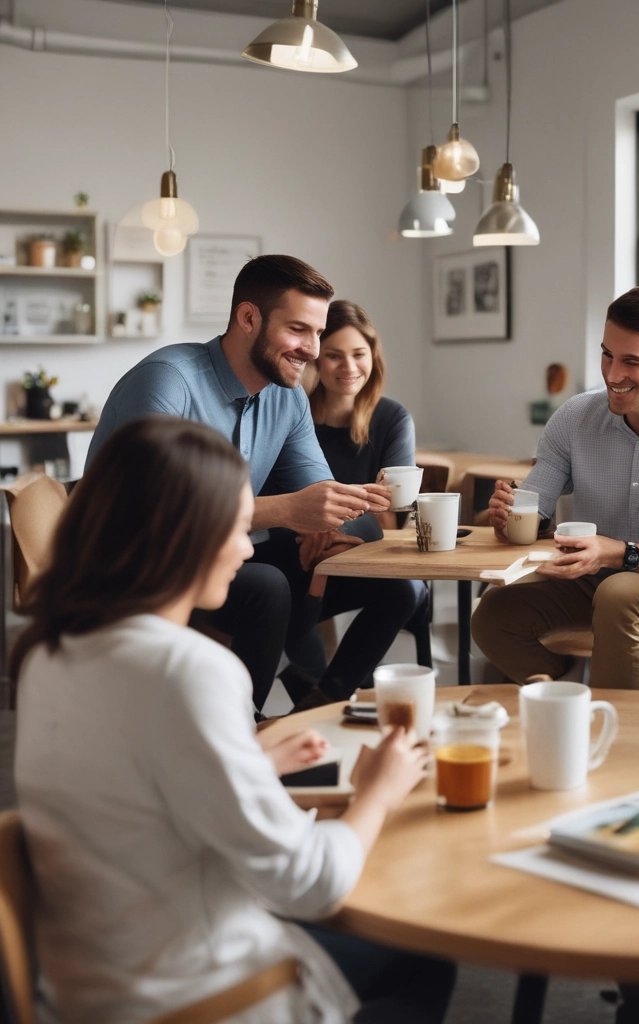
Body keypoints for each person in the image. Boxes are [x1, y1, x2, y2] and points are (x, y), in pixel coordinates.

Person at [13, 417, 454, 1024]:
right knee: (427, 948)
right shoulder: (187, 670)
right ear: (182, 536)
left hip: (84, 983)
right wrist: (378, 791)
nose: (247, 548)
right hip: (194, 999)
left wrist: (246, 762)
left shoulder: (47, 652)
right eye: (236, 527)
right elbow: (310, 882)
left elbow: (124, 782)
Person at [85, 254, 390, 714]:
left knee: (389, 574)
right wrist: (290, 512)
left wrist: (329, 527)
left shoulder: (287, 397)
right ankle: (238, 727)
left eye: (318, 333)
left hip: (221, 554)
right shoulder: (169, 380)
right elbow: (152, 510)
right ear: (249, 317)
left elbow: (317, 491)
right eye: (298, 330)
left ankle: (321, 701)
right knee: (266, 586)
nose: (312, 349)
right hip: (141, 561)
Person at [471, 285, 639, 690]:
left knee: (621, 593)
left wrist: (617, 552)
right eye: (607, 355)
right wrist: (508, 518)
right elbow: (534, 513)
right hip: (592, 575)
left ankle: (621, 736)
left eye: (632, 361)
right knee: (493, 614)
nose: (613, 375)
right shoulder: (575, 417)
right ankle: (567, 696)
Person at [265, 299, 431, 704]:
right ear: (317, 360)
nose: (349, 367)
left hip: (362, 556)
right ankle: (314, 687)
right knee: (286, 587)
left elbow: (391, 515)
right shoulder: (291, 412)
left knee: (407, 589)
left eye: (359, 354)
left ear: (373, 356)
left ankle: (325, 696)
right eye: (335, 356)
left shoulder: (391, 418)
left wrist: (331, 526)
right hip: (298, 553)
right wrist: (321, 531)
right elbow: (278, 499)